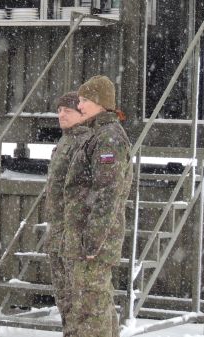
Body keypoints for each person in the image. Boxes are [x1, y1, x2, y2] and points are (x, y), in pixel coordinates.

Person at [60, 75, 132, 337]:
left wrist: (92, 242)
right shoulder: (97, 134)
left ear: (100, 103)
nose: (79, 106)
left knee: (90, 310)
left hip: (93, 244)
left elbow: (107, 194)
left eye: (84, 101)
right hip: (85, 239)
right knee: (96, 305)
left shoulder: (108, 138)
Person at [45, 91, 88, 327]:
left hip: (73, 231)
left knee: (78, 297)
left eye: (68, 111)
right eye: (59, 110)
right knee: (63, 295)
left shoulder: (85, 142)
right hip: (58, 228)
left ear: (82, 114)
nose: (61, 115)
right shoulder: (65, 141)